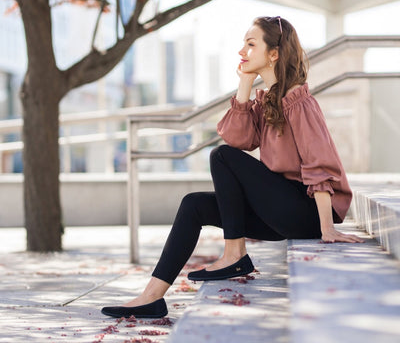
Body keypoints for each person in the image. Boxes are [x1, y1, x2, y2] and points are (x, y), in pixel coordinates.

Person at [101, 16, 363, 319]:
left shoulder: (298, 101)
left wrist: (326, 227)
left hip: (308, 209)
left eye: (251, 44)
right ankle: (152, 296)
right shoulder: (268, 102)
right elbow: (239, 138)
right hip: (281, 209)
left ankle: (234, 253)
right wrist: (245, 83)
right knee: (194, 204)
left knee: (221, 156)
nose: (242, 51)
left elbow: (319, 163)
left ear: (274, 53)